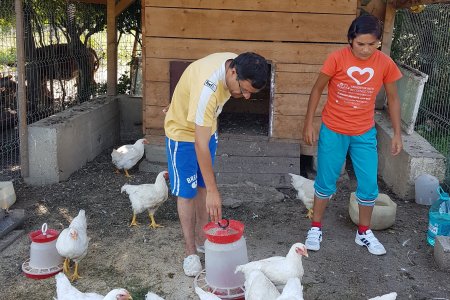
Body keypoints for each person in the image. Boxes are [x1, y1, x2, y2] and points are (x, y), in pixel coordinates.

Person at [302, 14, 403, 256]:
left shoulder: (385, 63)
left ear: (379, 42)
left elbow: (394, 98)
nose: (366, 50)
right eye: (360, 44)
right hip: (333, 130)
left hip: (364, 133)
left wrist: (398, 133)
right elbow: (317, 90)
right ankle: (315, 228)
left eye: (372, 44)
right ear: (350, 40)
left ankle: (364, 232)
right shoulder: (337, 59)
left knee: (369, 184)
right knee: (326, 181)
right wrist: (308, 123)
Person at [164, 52, 269, 276]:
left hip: (207, 128)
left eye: (251, 92)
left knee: (203, 183)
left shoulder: (238, 63)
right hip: (182, 133)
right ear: (232, 72)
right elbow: (198, 145)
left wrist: (210, 188)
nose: (247, 96)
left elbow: (204, 139)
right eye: (245, 90)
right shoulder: (208, 89)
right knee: (187, 191)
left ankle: (203, 240)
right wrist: (214, 191)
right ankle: (190, 251)